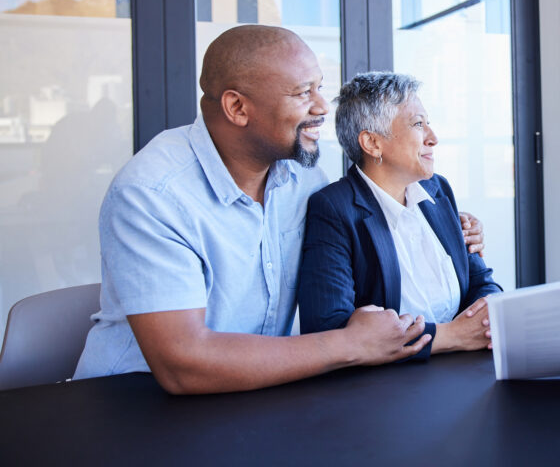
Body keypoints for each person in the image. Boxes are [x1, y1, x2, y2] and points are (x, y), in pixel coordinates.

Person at [73, 25, 484, 394]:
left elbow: (361, 256)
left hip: (265, 393)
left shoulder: (304, 180)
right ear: (237, 108)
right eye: (303, 92)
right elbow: (183, 363)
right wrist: (347, 344)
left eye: (320, 87)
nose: (323, 106)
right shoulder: (151, 193)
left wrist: (445, 231)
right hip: (136, 402)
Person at [298, 72, 502, 359]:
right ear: (372, 143)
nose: (433, 138)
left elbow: (482, 282)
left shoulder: (437, 189)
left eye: (428, 123)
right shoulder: (333, 208)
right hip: (388, 389)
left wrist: (489, 319)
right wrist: (452, 337)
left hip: (466, 367)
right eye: (418, 124)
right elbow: (329, 327)